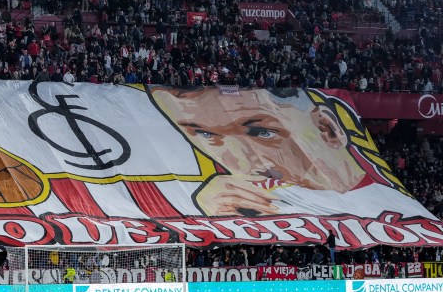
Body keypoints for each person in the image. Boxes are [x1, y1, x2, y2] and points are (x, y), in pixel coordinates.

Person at [150, 87, 436, 219]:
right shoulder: (220, 197)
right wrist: (206, 215)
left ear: (326, 128)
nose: (241, 161)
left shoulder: (388, 202)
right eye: (206, 134)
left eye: (261, 132)